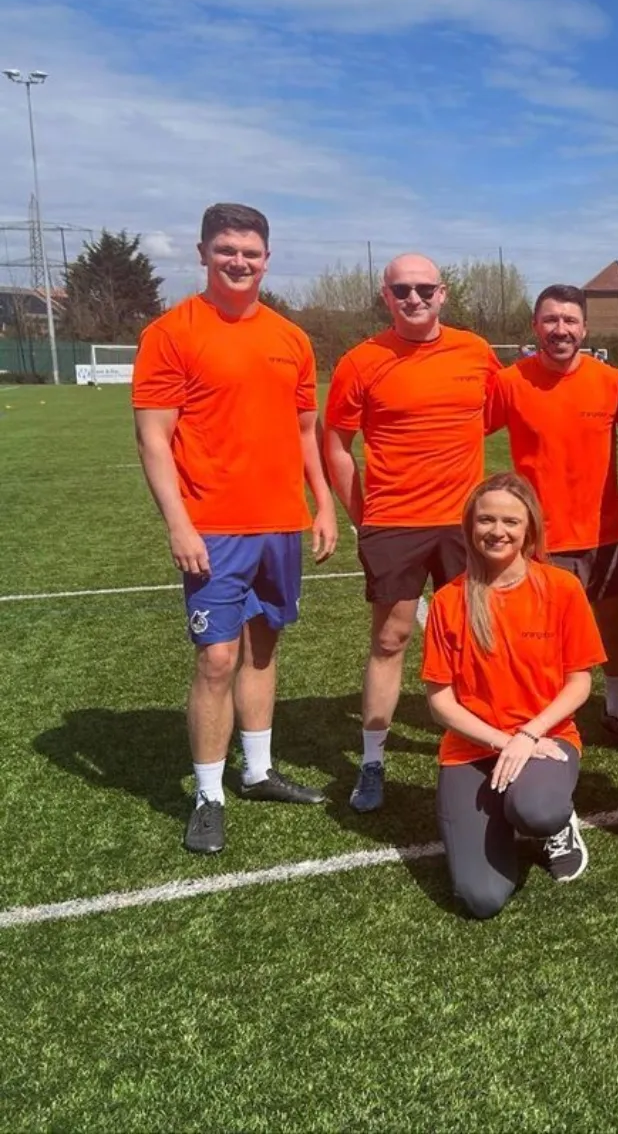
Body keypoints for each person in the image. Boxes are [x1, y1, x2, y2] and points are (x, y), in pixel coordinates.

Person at [132, 202, 338, 855]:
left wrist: (323, 503)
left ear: (267, 258)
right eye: (226, 251)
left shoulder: (291, 338)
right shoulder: (171, 333)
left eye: (250, 252)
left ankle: (257, 770)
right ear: (203, 254)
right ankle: (208, 792)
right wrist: (179, 525)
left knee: (264, 646)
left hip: (280, 523)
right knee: (216, 659)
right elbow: (153, 440)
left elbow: (307, 432)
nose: (239, 262)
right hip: (212, 527)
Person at [324, 255, 502, 813]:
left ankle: (487, 745)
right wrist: (363, 513)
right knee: (390, 639)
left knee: (477, 639)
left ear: (443, 293)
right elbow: (335, 444)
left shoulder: (476, 352)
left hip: (464, 524)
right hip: (394, 524)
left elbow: (489, 415)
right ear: (386, 295)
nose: (414, 298)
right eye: (402, 289)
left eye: (425, 288)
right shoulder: (361, 362)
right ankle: (373, 761)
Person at [421, 474, 606, 918]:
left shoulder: (561, 589)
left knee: (537, 810)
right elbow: (440, 701)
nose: (497, 531)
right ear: (469, 527)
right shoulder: (449, 601)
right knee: (480, 898)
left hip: (545, 740)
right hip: (473, 750)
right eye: (486, 519)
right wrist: (505, 742)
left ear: (529, 531)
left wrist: (528, 734)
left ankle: (554, 825)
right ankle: (496, 814)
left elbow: (579, 682)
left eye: (510, 521)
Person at [487, 285, 618, 750]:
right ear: (536, 326)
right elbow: (462, 431)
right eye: (551, 320)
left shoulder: (611, 381)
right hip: (539, 540)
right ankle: (546, 720)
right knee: (543, 639)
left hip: (604, 532)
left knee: (612, 627)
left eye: (570, 321)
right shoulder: (511, 382)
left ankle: (615, 710)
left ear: (584, 329)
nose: (561, 330)